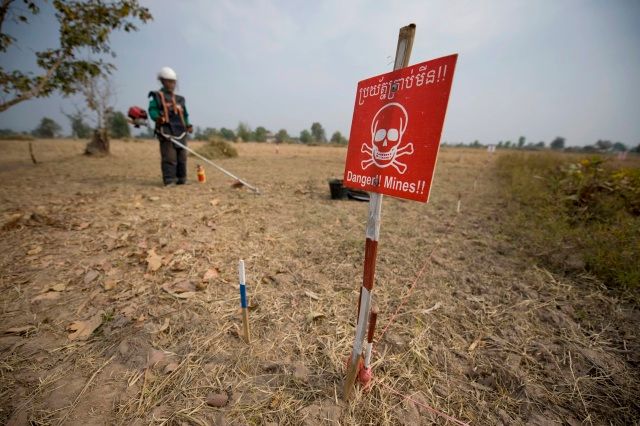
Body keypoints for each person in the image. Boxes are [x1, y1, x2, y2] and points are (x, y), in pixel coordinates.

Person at [148, 67, 193, 186]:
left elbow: (185, 114)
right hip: (166, 131)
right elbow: (152, 110)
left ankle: (181, 179)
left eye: (173, 82)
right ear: (162, 81)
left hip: (181, 132)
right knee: (170, 157)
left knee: (182, 157)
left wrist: (188, 125)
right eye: (168, 81)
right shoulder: (157, 97)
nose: (171, 84)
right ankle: (169, 180)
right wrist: (157, 118)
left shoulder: (180, 99)